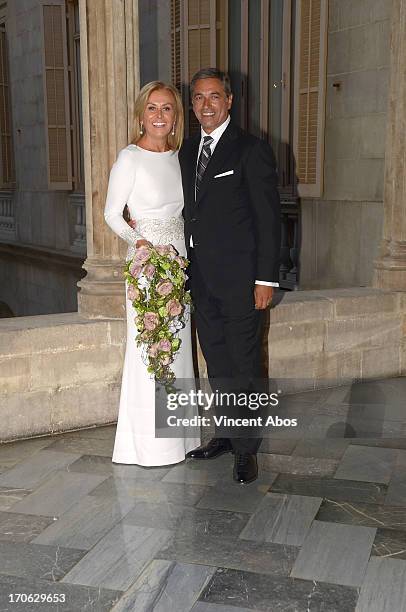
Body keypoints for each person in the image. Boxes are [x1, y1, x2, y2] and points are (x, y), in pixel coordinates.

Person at [179, 68, 281, 484]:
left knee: (244, 365)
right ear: (193, 104)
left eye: (214, 97)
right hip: (202, 281)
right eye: (199, 98)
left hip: (243, 283)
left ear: (230, 101)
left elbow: (269, 220)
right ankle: (224, 433)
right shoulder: (186, 151)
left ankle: (247, 449)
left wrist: (266, 280)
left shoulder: (251, 150)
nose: (206, 105)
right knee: (217, 361)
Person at [104, 81, 200, 466]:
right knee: (149, 353)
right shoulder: (129, 158)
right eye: (152, 108)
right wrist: (139, 243)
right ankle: (148, 447)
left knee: (177, 352)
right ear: (141, 115)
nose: (159, 115)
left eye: (167, 109)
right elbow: (112, 213)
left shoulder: (180, 157)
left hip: (179, 265)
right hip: (147, 267)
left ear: (176, 117)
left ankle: (180, 440)